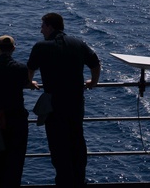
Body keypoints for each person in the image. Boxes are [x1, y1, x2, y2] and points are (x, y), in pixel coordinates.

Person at [27, 12, 101, 188]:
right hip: (75, 101)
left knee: (58, 143)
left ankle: (64, 181)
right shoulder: (78, 43)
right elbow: (95, 63)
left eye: (43, 26)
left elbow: (29, 70)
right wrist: (93, 82)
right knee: (77, 139)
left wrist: (30, 83)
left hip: (55, 103)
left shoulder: (41, 46)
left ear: (51, 27)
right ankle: (79, 179)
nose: (41, 30)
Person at [0, 35, 35, 187]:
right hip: (17, 118)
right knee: (16, 159)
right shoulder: (21, 68)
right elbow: (25, 82)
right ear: (13, 49)